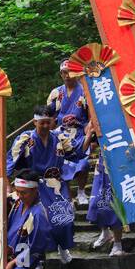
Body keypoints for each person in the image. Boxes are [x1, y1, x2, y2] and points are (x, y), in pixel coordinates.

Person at [8, 108, 75, 265]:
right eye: (42, 122)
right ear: (34, 122)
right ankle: (36, 261)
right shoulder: (25, 138)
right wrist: (8, 187)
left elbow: (76, 151)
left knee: (64, 219)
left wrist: (91, 132)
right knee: (35, 223)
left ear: (52, 122)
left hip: (56, 184)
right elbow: (10, 161)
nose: (45, 126)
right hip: (33, 187)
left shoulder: (59, 137)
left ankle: (63, 247)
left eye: (48, 122)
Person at [47, 60, 90, 203]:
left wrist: (89, 128)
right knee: (58, 164)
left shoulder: (85, 90)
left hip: (79, 132)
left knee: (83, 163)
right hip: (60, 133)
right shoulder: (56, 93)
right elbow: (50, 115)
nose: (67, 75)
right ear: (61, 74)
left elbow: (91, 114)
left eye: (70, 72)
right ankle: (66, 195)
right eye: (64, 72)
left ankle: (81, 191)